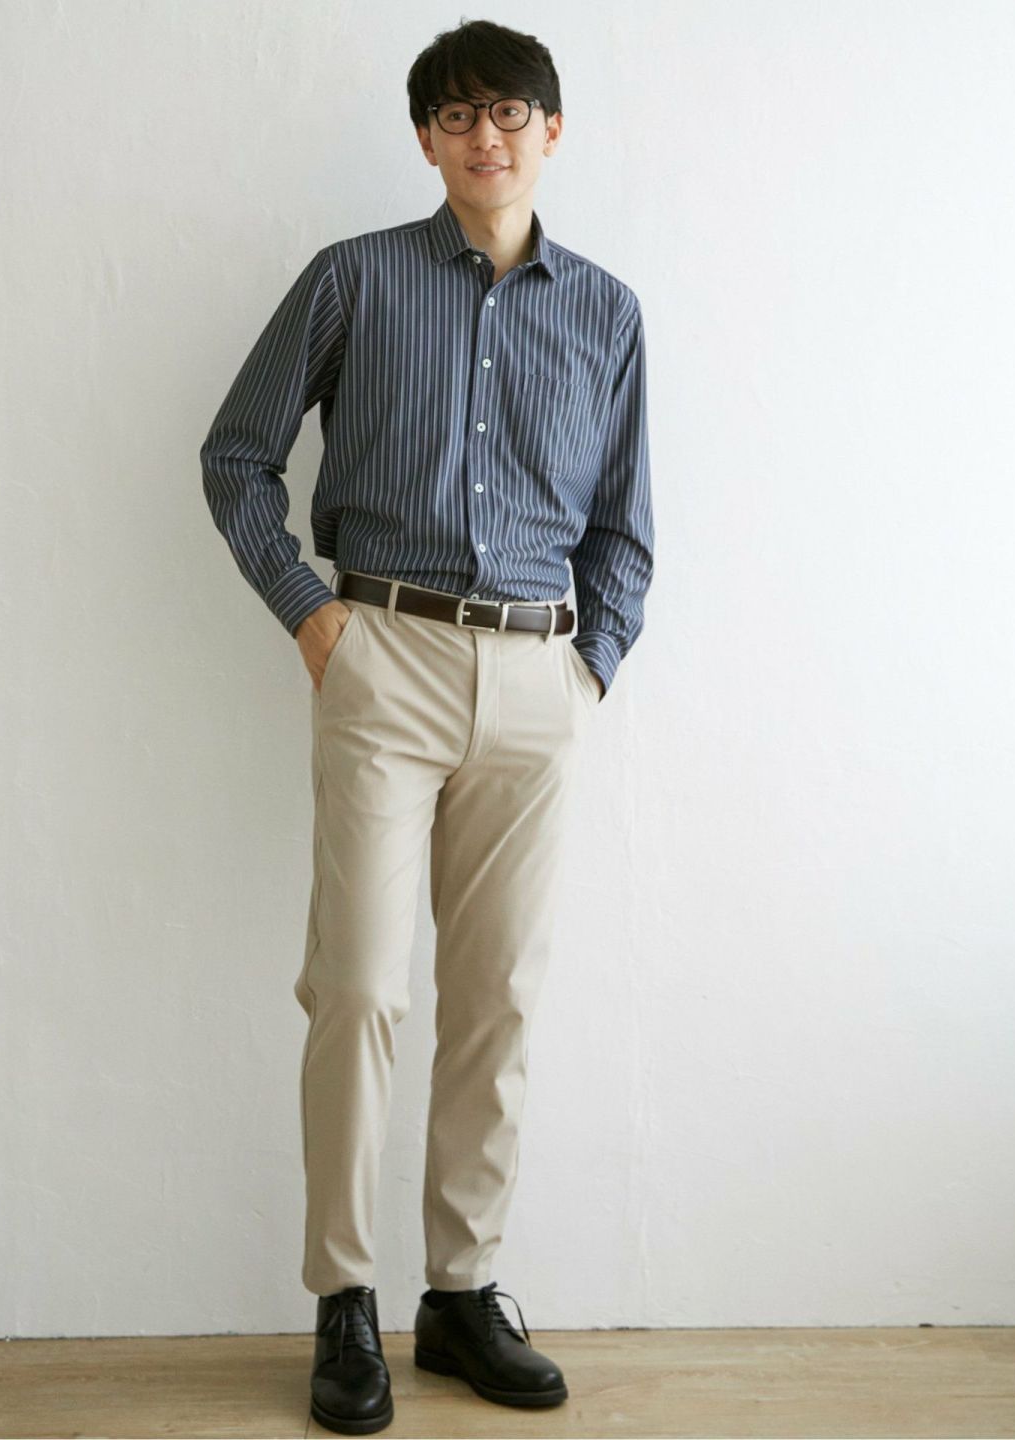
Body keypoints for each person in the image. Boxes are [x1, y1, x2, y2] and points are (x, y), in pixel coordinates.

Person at [199, 17, 653, 1435]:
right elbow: (237, 456)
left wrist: (588, 671)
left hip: (536, 675)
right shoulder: (354, 277)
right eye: (458, 115)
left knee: (499, 993)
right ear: (426, 139)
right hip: (381, 657)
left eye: (510, 112)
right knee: (358, 986)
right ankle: (345, 1296)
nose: (486, 136)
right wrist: (314, 619)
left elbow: (626, 529)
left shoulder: (608, 312)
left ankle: (461, 1294)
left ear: (552, 131)